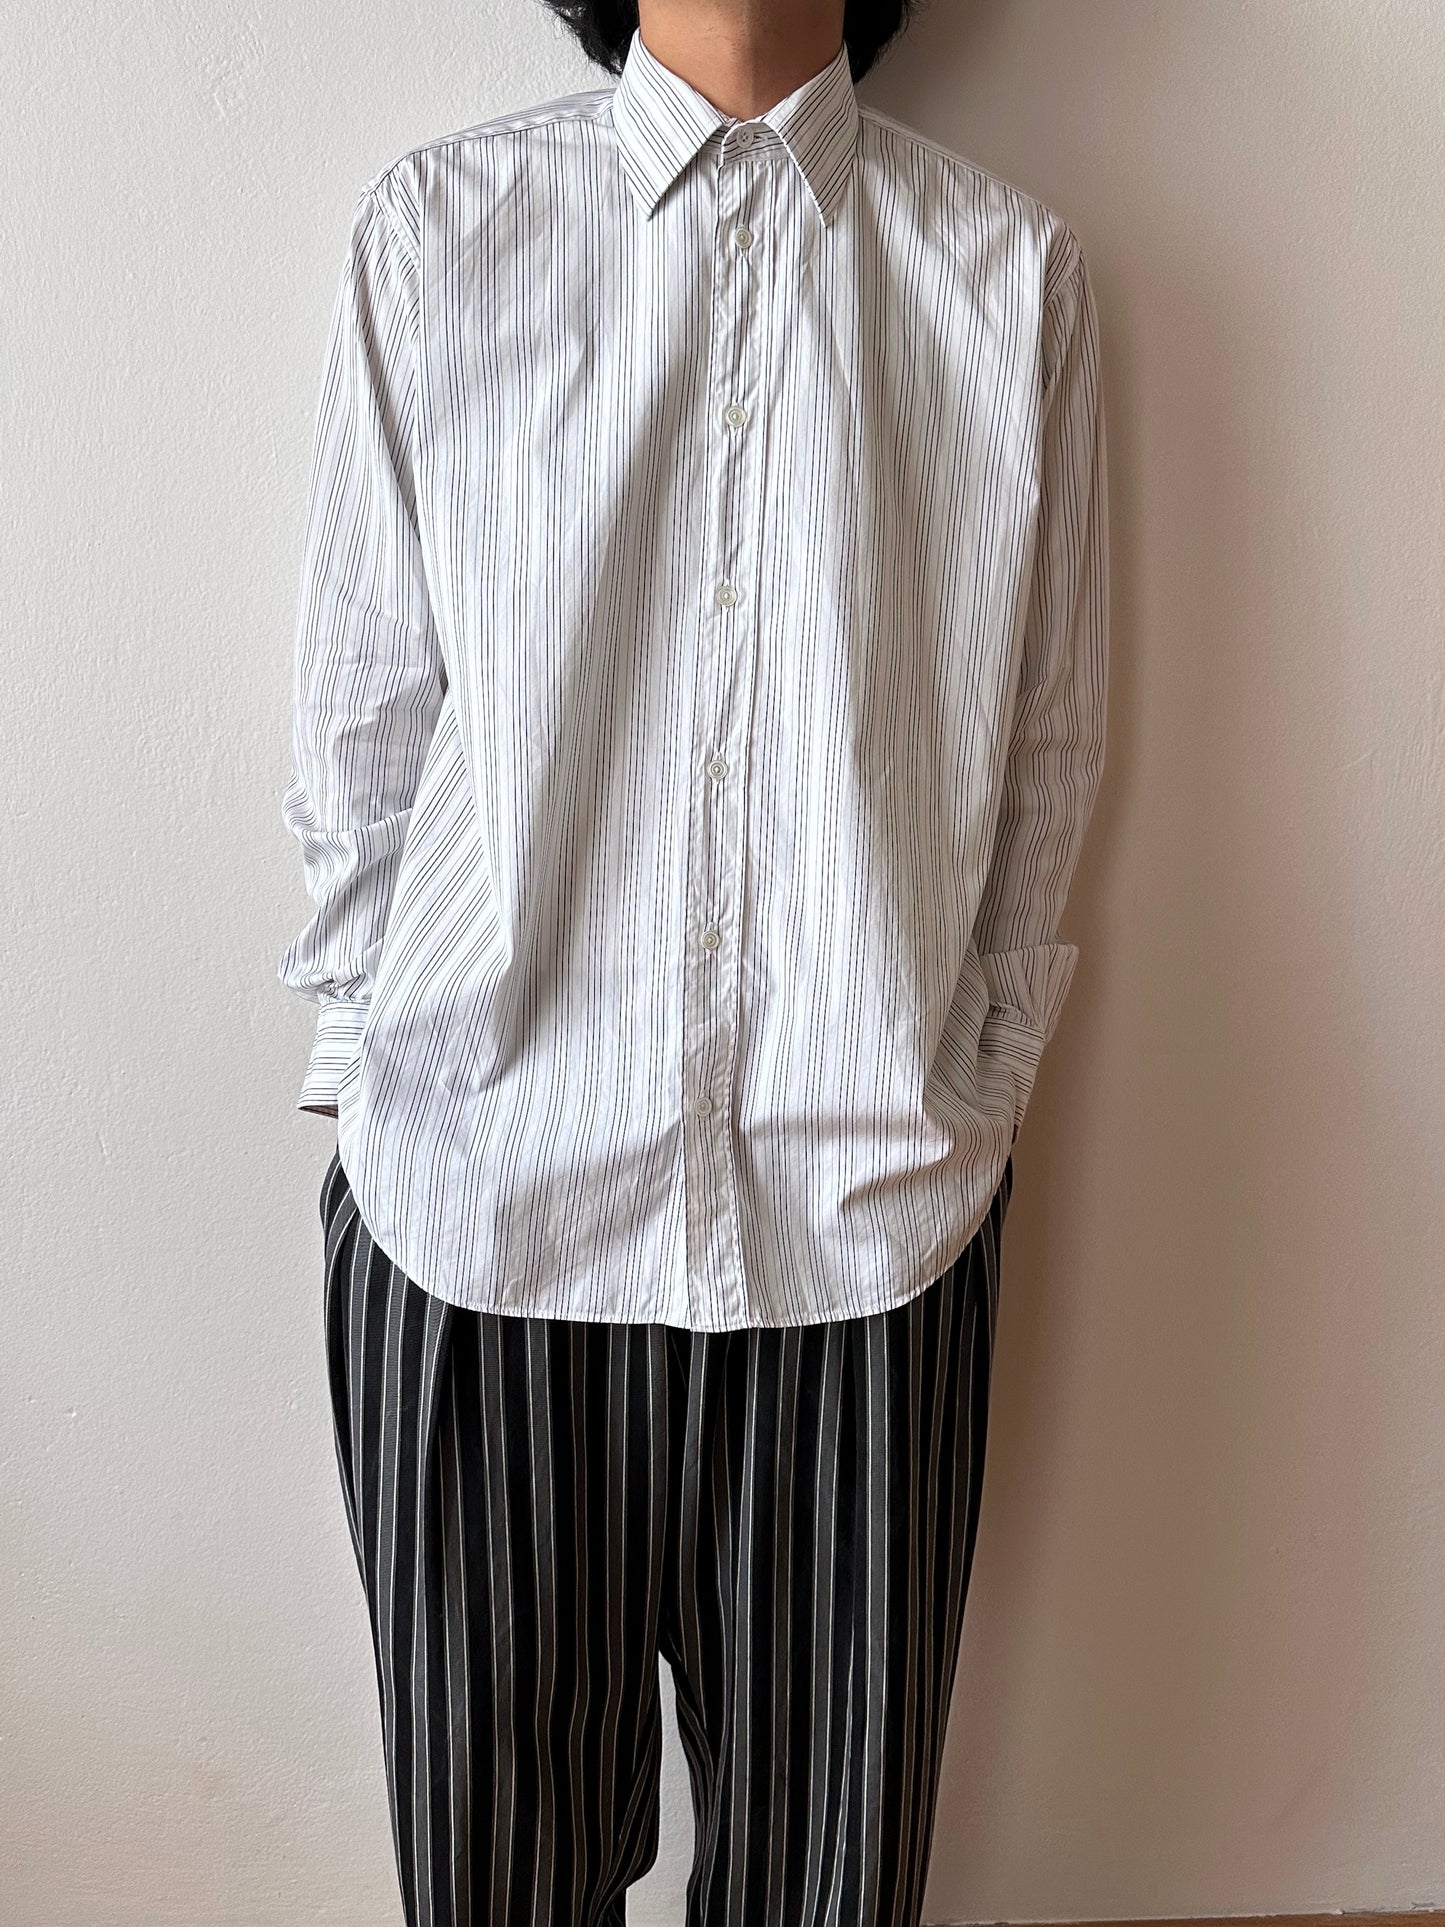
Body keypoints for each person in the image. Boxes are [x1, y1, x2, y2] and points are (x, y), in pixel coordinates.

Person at [277, 0, 1108, 1920]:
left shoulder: (1009, 278)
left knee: (828, 1889)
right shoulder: (441, 236)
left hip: (863, 1243)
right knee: (495, 1887)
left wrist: (969, 1093)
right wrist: (373, 1074)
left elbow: (1044, 743)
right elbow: (361, 720)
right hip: (477, 1224)